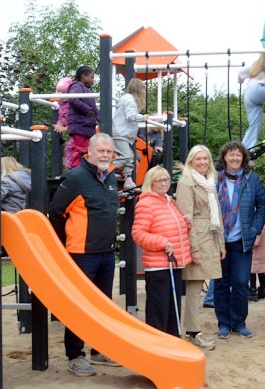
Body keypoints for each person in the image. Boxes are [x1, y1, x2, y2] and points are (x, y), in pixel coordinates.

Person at [49, 133, 120, 376]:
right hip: (82, 254)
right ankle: (75, 355)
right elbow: (56, 212)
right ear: (89, 152)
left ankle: (99, 349)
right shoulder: (76, 178)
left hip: (107, 252)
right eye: (101, 150)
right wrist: (63, 243)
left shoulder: (110, 177)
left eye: (109, 151)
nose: (105, 155)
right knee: (80, 305)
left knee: (103, 305)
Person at [213, 141, 265, 340]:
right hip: (219, 240)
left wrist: (255, 230)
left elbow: (262, 205)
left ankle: (239, 322)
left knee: (240, 282)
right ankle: (224, 323)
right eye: (231, 155)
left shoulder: (251, 180)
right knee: (220, 283)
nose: (235, 158)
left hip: (241, 241)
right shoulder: (214, 179)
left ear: (243, 158)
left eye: (238, 155)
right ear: (224, 157)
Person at [132, 166, 192, 338]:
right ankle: (157, 346)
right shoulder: (146, 203)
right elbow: (138, 234)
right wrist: (161, 242)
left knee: (172, 308)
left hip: (174, 263)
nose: (164, 183)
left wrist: (185, 224)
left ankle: (172, 342)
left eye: (166, 179)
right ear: (150, 183)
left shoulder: (169, 201)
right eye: (159, 180)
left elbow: (171, 229)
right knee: (159, 309)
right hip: (158, 266)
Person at [175, 145, 223, 351]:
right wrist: (193, 248)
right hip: (197, 238)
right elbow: (186, 218)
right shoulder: (187, 182)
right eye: (198, 159)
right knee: (194, 288)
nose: (202, 162)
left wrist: (220, 244)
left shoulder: (210, 182)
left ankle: (192, 330)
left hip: (210, 237)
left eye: (205, 158)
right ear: (190, 162)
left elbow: (217, 213)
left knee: (199, 286)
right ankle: (193, 331)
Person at [114, 77, 149, 189]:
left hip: (123, 133)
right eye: (143, 90)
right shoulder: (130, 100)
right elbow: (131, 116)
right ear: (138, 90)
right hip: (120, 133)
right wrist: (143, 117)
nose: (144, 93)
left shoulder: (125, 98)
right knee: (126, 156)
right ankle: (103, 169)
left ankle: (128, 180)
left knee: (130, 158)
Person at [66, 66, 99, 169]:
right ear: (83, 76)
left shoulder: (87, 90)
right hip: (79, 125)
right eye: (91, 77)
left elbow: (93, 109)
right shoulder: (77, 86)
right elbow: (73, 99)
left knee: (86, 150)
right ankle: (76, 170)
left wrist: (100, 117)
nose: (93, 80)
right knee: (80, 149)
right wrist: (87, 110)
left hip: (86, 126)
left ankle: (82, 169)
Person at [239, 53, 265, 150]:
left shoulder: (254, 65)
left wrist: (240, 81)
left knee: (255, 124)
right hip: (260, 88)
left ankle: (247, 150)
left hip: (249, 93)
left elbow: (240, 73)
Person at [52, 77, 75, 169]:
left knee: (70, 147)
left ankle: (70, 167)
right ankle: (69, 167)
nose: (57, 94)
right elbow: (62, 117)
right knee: (69, 147)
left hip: (76, 129)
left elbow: (75, 120)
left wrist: (65, 128)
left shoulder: (72, 103)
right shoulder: (61, 104)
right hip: (71, 130)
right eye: (57, 91)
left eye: (61, 92)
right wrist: (59, 124)